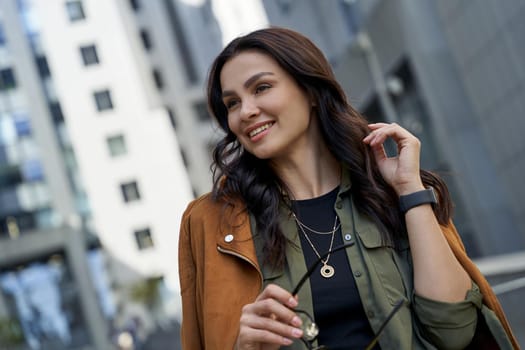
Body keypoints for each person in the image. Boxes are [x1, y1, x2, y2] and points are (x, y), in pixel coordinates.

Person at [178, 27, 519, 349]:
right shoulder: (208, 222)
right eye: (232, 103)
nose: (246, 112)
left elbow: (454, 329)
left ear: (310, 90)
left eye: (261, 88)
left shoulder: (386, 189)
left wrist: (410, 191)